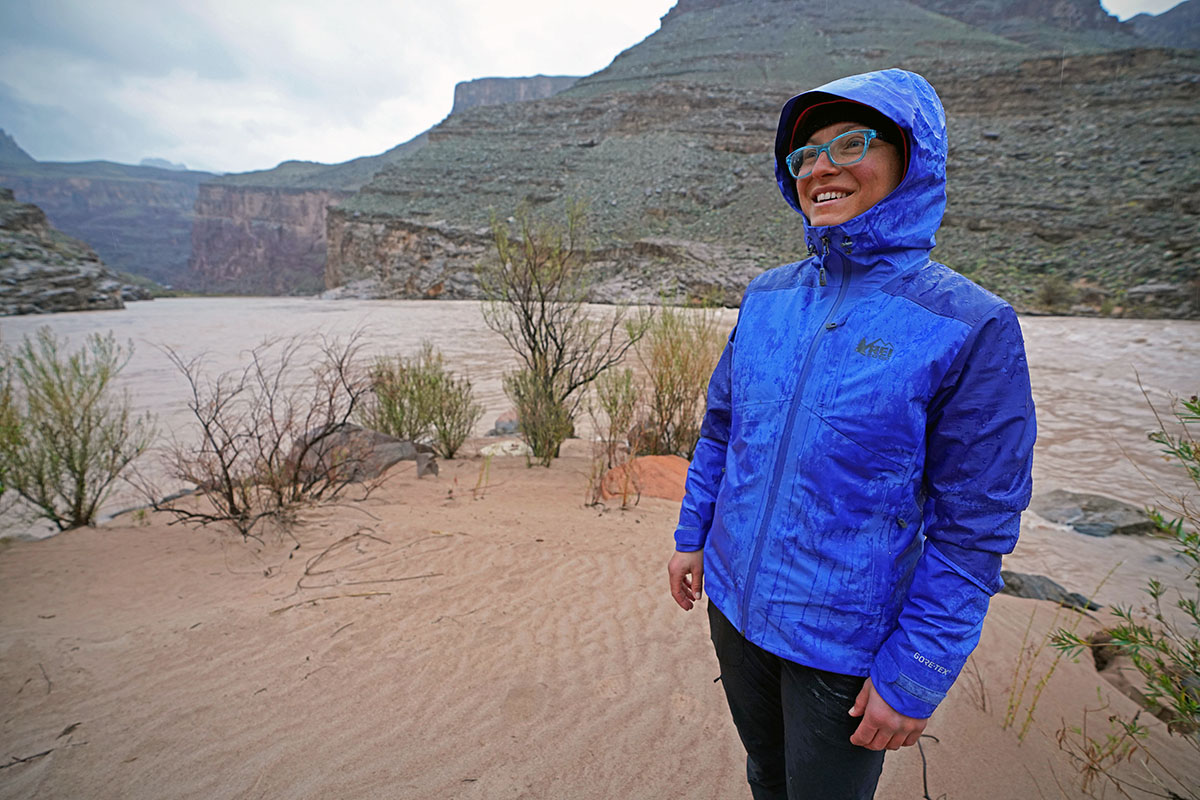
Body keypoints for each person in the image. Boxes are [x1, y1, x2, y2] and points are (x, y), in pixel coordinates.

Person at [667, 68, 1036, 800]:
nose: (820, 168)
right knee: (765, 773)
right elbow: (722, 431)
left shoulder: (969, 324)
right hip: (734, 609)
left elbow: (975, 527)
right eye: (805, 154)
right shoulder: (768, 296)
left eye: (850, 143)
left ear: (911, 158)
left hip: (843, 644)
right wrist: (691, 535)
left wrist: (917, 671)